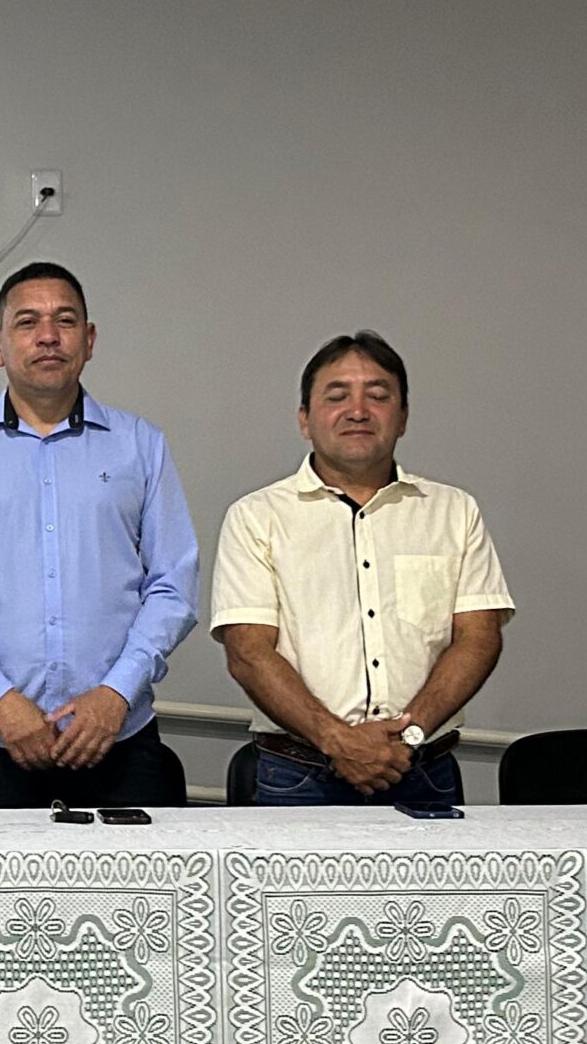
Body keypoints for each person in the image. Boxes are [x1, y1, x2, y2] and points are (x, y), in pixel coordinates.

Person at [0, 262, 199, 808]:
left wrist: (116, 694)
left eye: (65, 320)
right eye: (27, 322)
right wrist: (0, 700)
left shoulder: (140, 445)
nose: (48, 336)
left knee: (134, 871)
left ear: (89, 340)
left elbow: (173, 585)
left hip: (118, 737)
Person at [212, 332, 513, 808]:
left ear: (403, 417)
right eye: (337, 396)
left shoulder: (454, 511)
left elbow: (478, 639)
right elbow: (248, 652)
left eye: (377, 395)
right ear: (305, 419)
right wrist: (337, 739)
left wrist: (407, 735)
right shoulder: (256, 517)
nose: (357, 411)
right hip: (299, 778)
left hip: (424, 770)